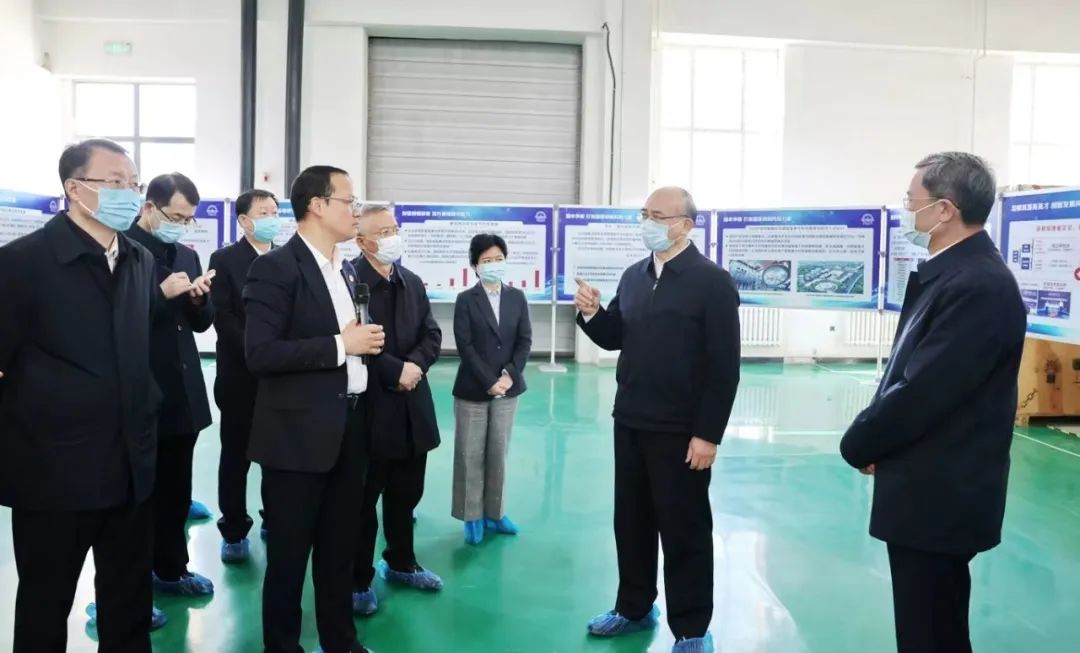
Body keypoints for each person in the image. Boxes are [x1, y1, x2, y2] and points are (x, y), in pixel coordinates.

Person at [0, 139, 198, 652]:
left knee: (128, 605)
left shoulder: (137, 259)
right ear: (74, 188)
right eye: (115, 182)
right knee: (45, 605)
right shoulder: (22, 263)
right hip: (54, 473)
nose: (128, 192)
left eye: (133, 183)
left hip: (131, 468)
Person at [839, 152, 1027, 653]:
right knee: (928, 623)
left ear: (944, 209)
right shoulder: (951, 274)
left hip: (941, 494)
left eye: (911, 201)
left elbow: (923, 392)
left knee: (931, 631)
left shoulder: (979, 286)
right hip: (927, 485)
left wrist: (861, 442)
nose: (906, 211)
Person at [575, 186, 740, 653]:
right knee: (631, 522)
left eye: (658, 216)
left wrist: (707, 435)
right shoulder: (634, 276)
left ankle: (691, 629)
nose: (647, 222)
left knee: (684, 530)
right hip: (630, 419)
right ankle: (633, 606)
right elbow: (617, 336)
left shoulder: (712, 282)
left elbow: (724, 367)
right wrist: (592, 313)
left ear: (685, 225)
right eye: (644, 214)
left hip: (681, 430)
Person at [245, 165, 384, 653]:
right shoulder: (276, 268)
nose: (356, 211)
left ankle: (340, 642)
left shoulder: (345, 268)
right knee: (288, 558)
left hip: (350, 427)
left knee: (338, 550)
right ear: (317, 206)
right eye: (349, 201)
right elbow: (260, 353)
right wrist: (340, 345)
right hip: (296, 438)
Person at [124, 172, 216, 599]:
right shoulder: (122, 252)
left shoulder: (186, 256)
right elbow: (111, 323)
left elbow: (201, 324)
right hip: (140, 391)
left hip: (182, 391)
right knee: (137, 498)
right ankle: (131, 588)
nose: (182, 225)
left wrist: (199, 300)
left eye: (188, 219)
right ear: (149, 208)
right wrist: (159, 294)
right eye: (176, 217)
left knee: (177, 491)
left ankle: (172, 569)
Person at [350, 204, 444, 617]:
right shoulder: (349, 283)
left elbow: (431, 333)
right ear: (362, 241)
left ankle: (402, 562)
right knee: (362, 502)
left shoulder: (412, 282)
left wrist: (415, 366)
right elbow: (354, 344)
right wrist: (395, 371)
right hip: (371, 408)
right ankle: (358, 580)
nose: (393, 237)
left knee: (406, 494)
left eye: (395, 229)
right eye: (383, 232)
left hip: (412, 405)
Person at [210, 188, 280, 562]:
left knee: (276, 455)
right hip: (240, 375)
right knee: (236, 456)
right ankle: (234, 530)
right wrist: (260, 350)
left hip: (280, 378)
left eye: (275, 211)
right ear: (244, 220)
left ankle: (275, 517)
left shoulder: (286, 258)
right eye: (263, 212)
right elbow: (223, 318)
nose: (272, 218)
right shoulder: (225, 260)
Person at [451, 233, 533, 545]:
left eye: (499, 258)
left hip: (508, 389)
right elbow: (465, 346)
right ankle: (471, 516)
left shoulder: (517, 297)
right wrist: (490, 381)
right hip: (473, 388)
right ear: (475, 266)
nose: (494, 264)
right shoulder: (465, 300)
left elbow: (524, 340)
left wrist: (509, 375)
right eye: (487, 260)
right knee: (470, 454)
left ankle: (495, 513)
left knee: (499, 453)